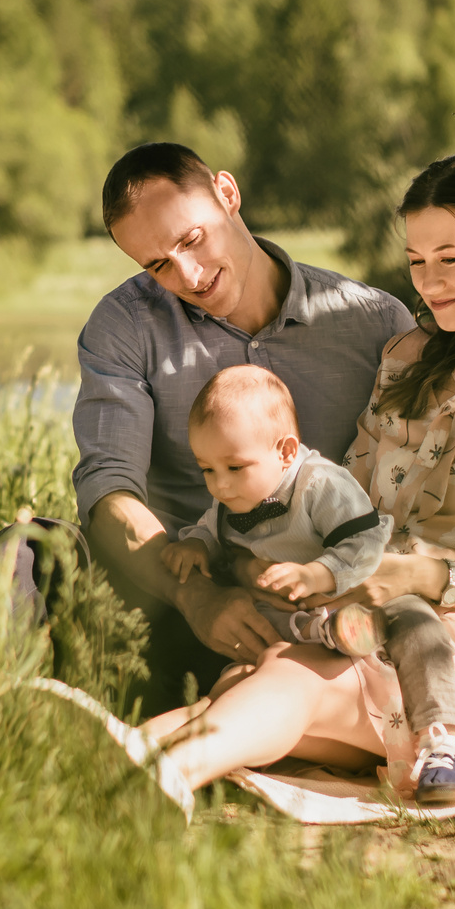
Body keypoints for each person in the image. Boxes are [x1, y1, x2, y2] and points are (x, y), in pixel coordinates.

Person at [139, 150, 455, 802]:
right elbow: (342, 507)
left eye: (449, 258)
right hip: (373, 619)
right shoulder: (406, 359)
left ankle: (155, 765)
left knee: (295, 677)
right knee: (267, 670)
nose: (427, 282)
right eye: (416, 261)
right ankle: (125, 757)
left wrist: (425, 576)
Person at [72, 143, 415, 704]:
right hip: (174, 587)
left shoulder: (376, 323)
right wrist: (197, 597)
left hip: (315, 607)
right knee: (33, 554)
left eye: (191, 239)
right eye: (157, 264)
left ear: (227, 196)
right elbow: (110, 487)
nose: (187, 274)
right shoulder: (124, 325)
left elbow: (409, 491)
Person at [164, 365, 455, 805]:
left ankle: (439, 742)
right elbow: (210, 531)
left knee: (416, 622)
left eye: (233, 467)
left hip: (358, 590)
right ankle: (329, 633)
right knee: (241, 675)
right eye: (207, 470)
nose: (221, 485)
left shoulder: (321, 484)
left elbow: (366, 542)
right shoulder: (232, 496)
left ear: (286, 451)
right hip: (290, 616)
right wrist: (195, 546)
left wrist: (316, 573)